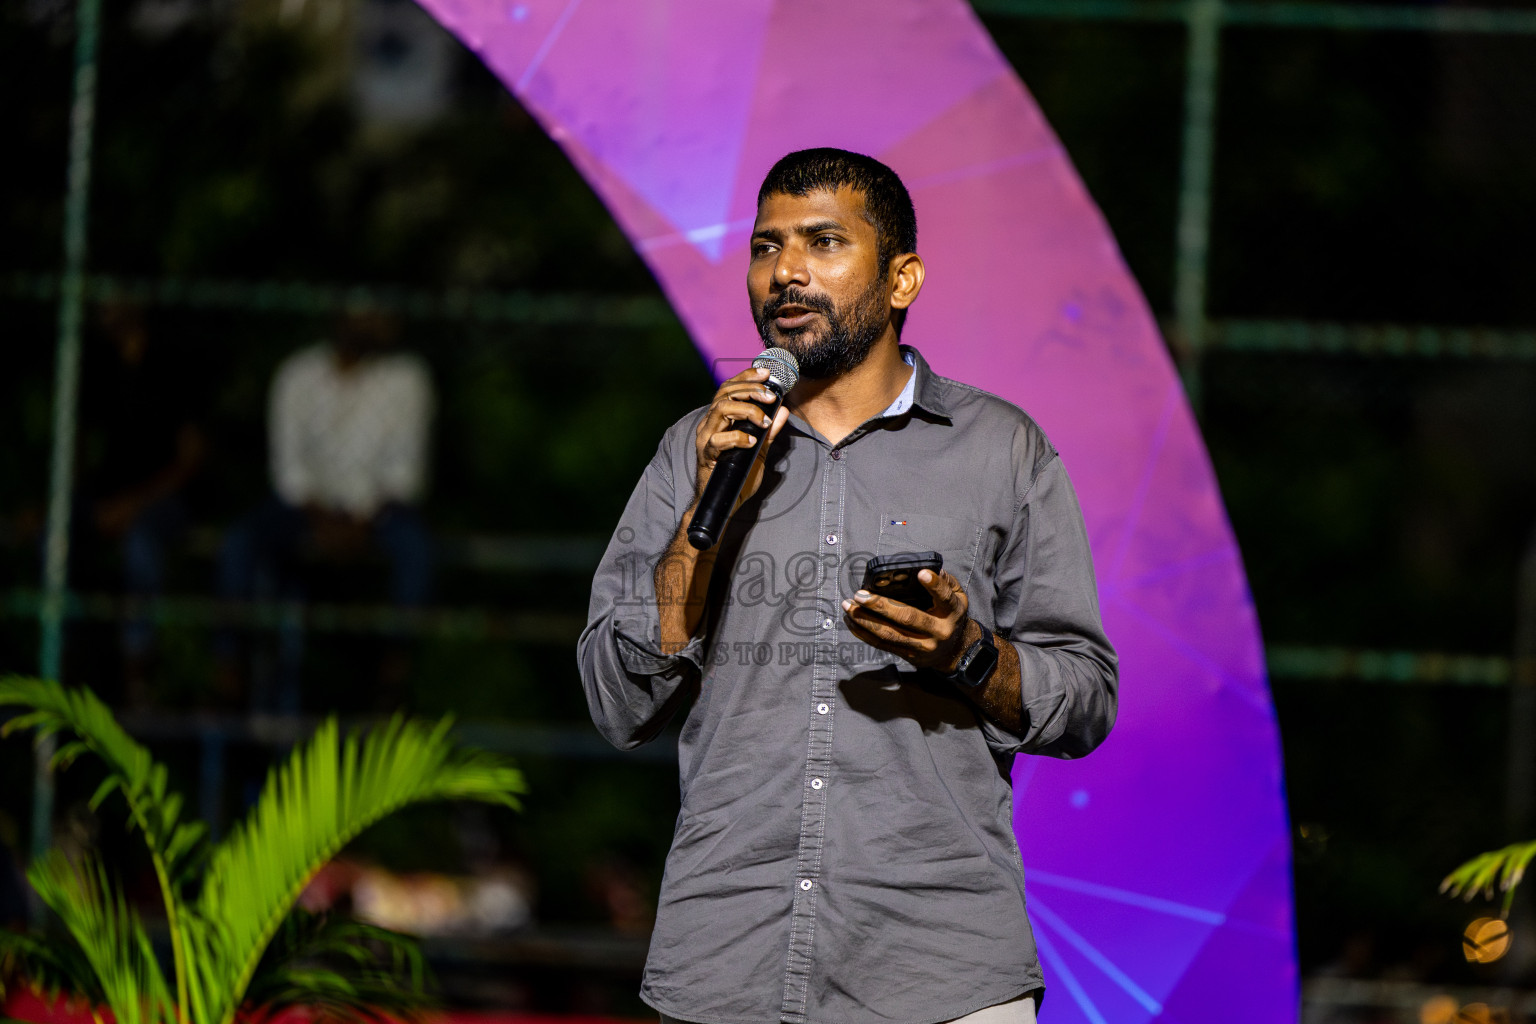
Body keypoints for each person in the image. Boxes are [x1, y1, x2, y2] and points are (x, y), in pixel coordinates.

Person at [578, 148, 1118, 1024]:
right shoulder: (697, 449)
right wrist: (705, 521)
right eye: (765, 247)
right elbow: (617, 700)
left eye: (823, 242)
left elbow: (1087, 698)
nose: (785, 271)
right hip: (728, 962)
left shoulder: (1002, 450)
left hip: (940, 970)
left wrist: (969, 654)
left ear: (901, 278)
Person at [216, 309, 434, 711]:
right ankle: (231, 662)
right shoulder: (297, 375)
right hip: (305, 508)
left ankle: (394, 670)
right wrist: (323, 519)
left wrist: (361, 521)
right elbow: (288, 469)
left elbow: (404, 472)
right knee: (241, 542)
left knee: (416, 551)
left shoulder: (405, 378)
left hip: (378, 513)